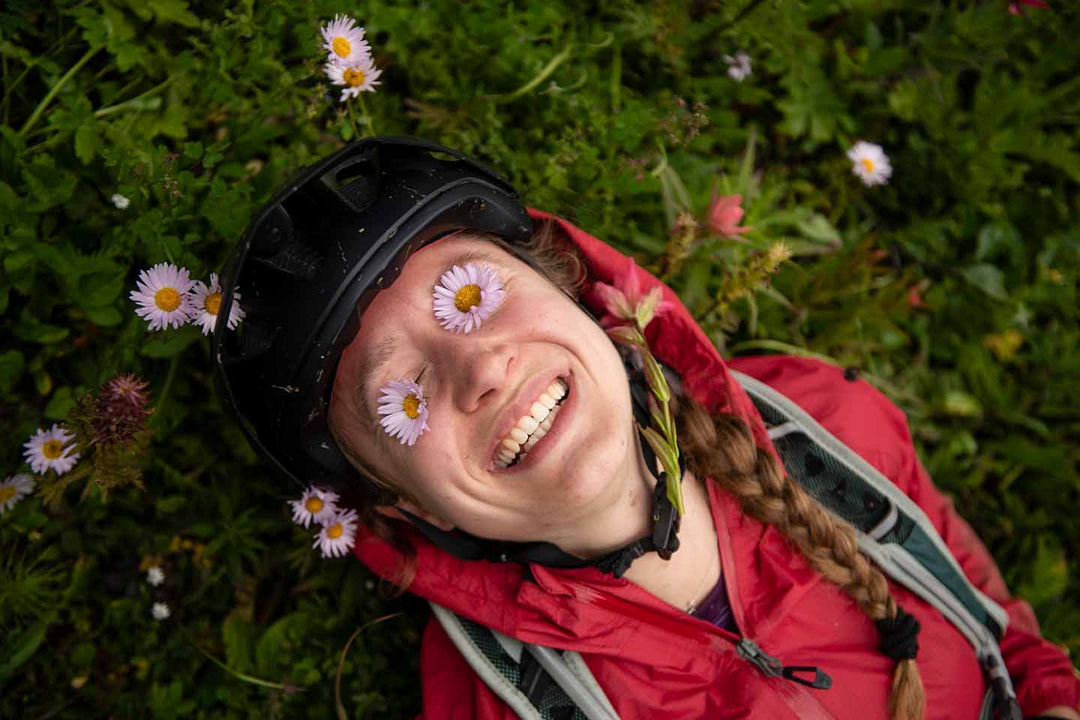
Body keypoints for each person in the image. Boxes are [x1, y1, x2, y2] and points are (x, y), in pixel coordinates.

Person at [214, 137, 1080, 720]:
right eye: (398, 393)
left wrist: (1049, 694)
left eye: (475, 292)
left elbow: (969, 585)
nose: (478, 369)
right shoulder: (496, 701)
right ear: (409, 508)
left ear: (586, 298)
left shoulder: (826, 424)